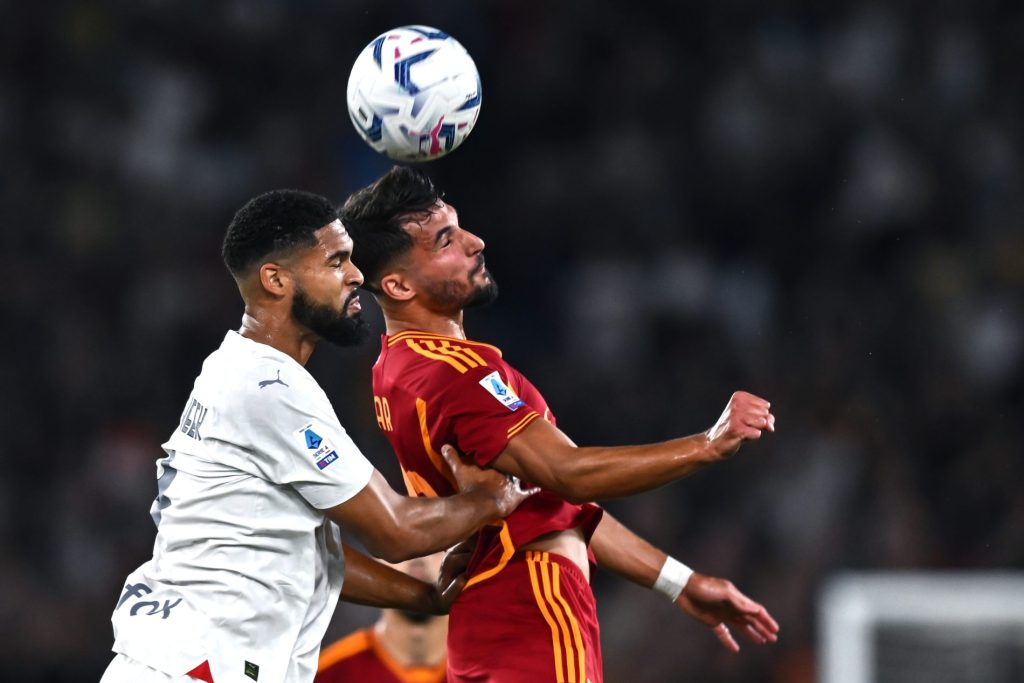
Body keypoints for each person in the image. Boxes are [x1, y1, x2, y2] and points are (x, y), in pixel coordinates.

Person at [340, 167, 781, 683]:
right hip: (536, 613)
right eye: (445, 241)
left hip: (487, 630)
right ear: (396, 284)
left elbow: (554, 503)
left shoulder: (397, 368)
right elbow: (569, 473)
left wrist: (679, 582)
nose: (475, 243)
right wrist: (708, 444)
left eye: (459, 228)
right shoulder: (454, 374)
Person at [100, 189, 535, 683]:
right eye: (336, 261)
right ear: (276, 280)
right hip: (194, 669)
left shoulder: (235, 370)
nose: (356, 275)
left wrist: (426, 596)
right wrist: (492, 497)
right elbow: (395, 530)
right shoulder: (269, 389)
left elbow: (310, 555)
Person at [316, 553, 448, 683]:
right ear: (376, 559)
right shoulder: (324, 675)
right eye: (399, 544)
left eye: (436, 548)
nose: (419, 558)